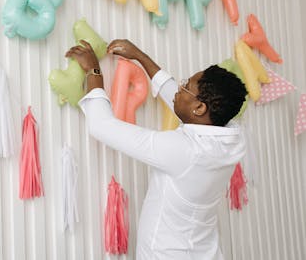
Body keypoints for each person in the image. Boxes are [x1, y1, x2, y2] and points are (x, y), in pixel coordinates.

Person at [65, 39, 248, 260]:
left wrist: (94, 70)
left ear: (200, 108)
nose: (178, 90)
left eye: (185, 87)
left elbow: (101, 126)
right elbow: (181, 103)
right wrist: (140, 57)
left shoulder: (186, 151)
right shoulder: (228, 136)